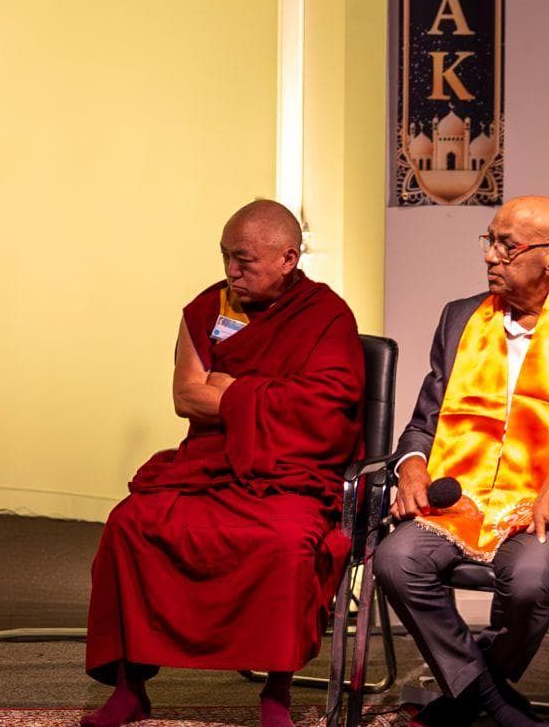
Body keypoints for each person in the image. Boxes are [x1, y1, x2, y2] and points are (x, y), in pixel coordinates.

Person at [83, 199, 364, 727]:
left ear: (288, 258)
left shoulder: (327, 317)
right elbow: (186, 398)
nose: (231, 272)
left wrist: (233, 391)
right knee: (129, 525)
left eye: (244, 261)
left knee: (285, 544)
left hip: (293, 475)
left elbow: (327, 409)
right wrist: (259, 396)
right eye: (225, 258)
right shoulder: (210, 308)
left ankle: (276, 693)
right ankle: (130, 688)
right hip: (210, 465)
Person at [373, 196, 549, 727]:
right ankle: (493, 702)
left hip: (548, 508)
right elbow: (423, 422)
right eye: (490, 241)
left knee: (528, 580)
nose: (491, 257)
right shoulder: (461, 318)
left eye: (508, 245)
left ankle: (465, 695)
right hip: (464, 498)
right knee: (394, 561)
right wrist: (411, 462)